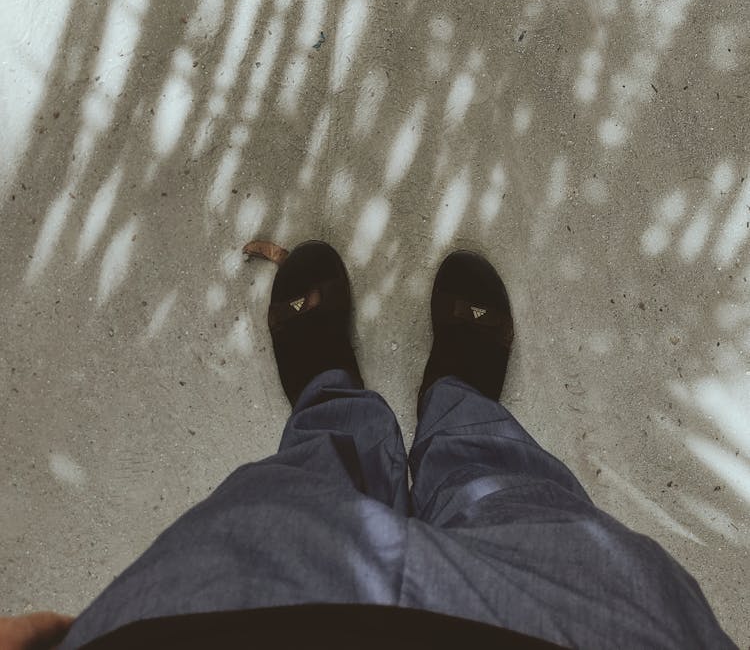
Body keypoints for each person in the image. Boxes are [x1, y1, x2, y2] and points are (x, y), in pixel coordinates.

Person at [2, 242, 737, 649]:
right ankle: (459, 397)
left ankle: (331, 389)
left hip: (228, 620)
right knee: (516, 498)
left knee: (301, 488)